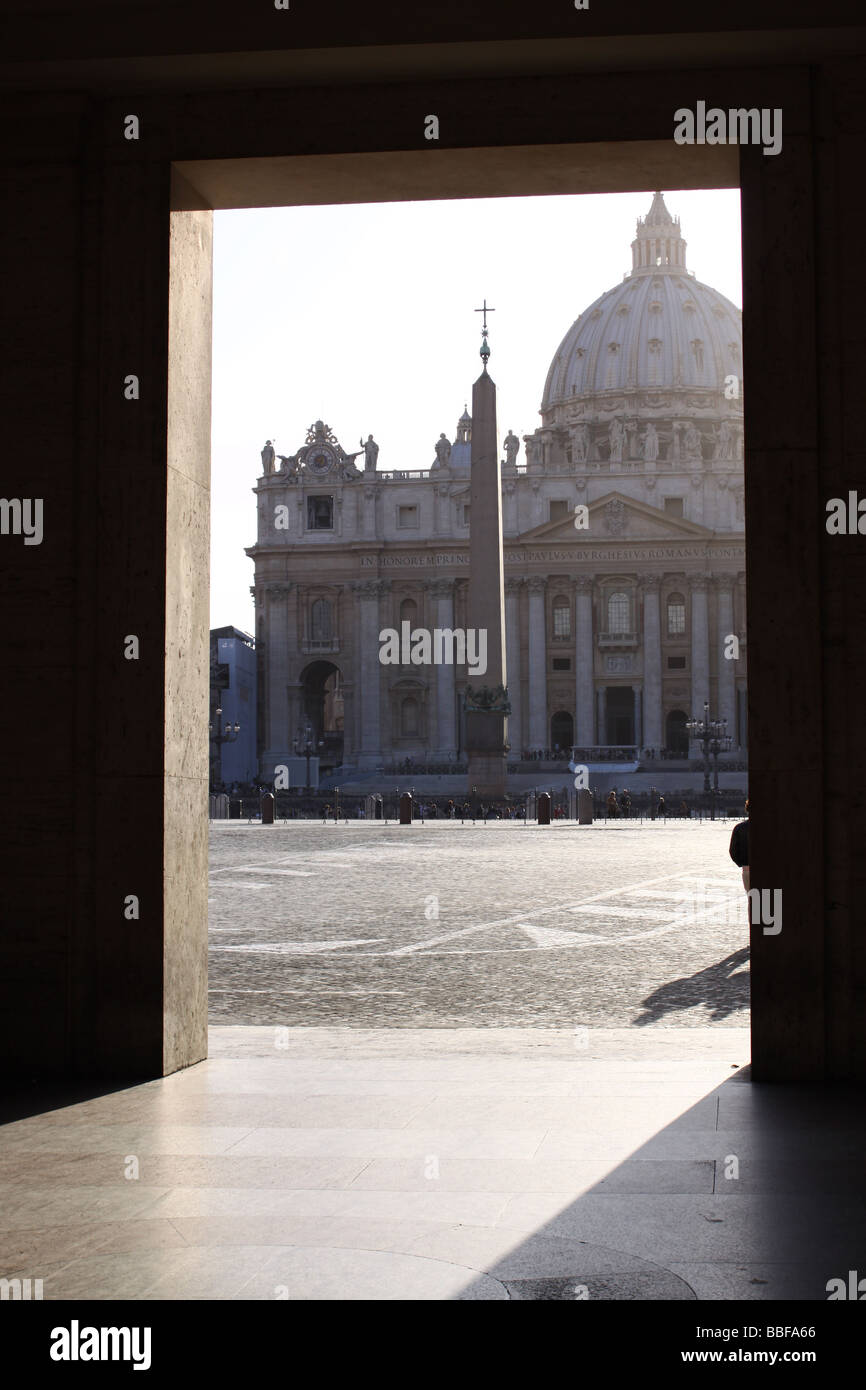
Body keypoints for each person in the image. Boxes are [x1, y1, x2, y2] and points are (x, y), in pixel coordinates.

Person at [729, 799, 750, 891]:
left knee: (753, 898)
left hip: (747, 869)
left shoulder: (739, 828)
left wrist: (742, 864)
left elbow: (733, 851)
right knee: (772, 899)